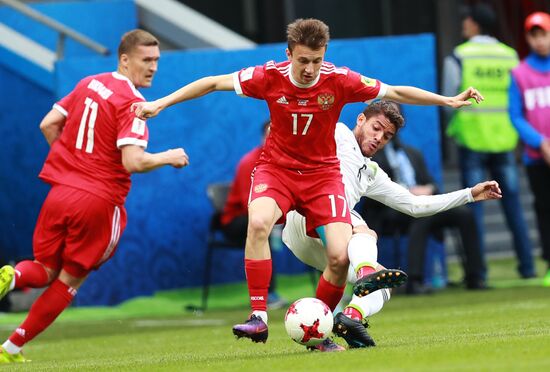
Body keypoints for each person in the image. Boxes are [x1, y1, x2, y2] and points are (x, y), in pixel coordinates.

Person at [131, 18, 483, 351]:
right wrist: (160, 103)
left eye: (316, 60)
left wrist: (447, 100)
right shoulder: (269, 75)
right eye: (303, 60)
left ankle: (325, 330)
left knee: (339, 257)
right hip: (277, 170)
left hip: (322, 176)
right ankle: (258, 316)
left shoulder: (340, 80)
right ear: (289, 54)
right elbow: (211, 82)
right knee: (257, 223)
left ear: (324, 55)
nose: (310, 69)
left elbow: (395, 91)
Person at [0, 30, 189, 364]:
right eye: (147, 60)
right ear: (125, 59)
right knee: (69, 279)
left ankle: (12, 277)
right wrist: (168, 156)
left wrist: (73, 164)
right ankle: (10, 348)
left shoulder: (89, 82)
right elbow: (133, 161)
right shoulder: (134, 104)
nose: (154, 67)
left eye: (157, 60)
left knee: (43, 269)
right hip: (98, 202)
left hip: (60, 192)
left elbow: (48, 124)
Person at [282, 101, 501, 349]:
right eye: (376, 128)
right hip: (304, 216)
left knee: (383, 286)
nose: (379, 138)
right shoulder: (339, 134)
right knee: (365, 231)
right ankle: (366, 274)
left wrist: (470, 194)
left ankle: (347, 319)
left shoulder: (372, 172)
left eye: (386, 136)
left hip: (318, 243)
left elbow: (415, 205)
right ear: (361, 120)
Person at [442, 3, 535, 279]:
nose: (462, 26)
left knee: (475, 206)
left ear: (473, 24)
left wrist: (454, 127)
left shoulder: (459, 55)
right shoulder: (510, 57)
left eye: (465, 21)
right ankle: (528, 268)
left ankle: (478, 273)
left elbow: (449, 100)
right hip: (505, 139)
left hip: (472, 139)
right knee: (514, 207)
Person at [364, 135, 487, 294]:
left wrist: (428, 189)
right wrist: (407, 192)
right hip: (392, 209)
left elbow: (432, 183)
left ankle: (475, 276)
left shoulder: (413, 153)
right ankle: (415, 281)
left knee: (464, 214)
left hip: (423, 203)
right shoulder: (373, 158)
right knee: (422, 217)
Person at [221, 120, 287, 309]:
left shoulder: (286, 161)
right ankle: (268, 295)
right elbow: (248, 204)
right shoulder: (250, 162)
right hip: (235, 221)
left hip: (268, 217)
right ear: (263, 138)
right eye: (269, 136)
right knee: (261, 227)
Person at [509, 11, 550, 287]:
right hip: (537, 159)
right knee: (545, 210)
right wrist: (540, 142)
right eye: (533, 35)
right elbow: (515, 115)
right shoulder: (520, 73)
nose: (539, 40)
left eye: (543, 34)